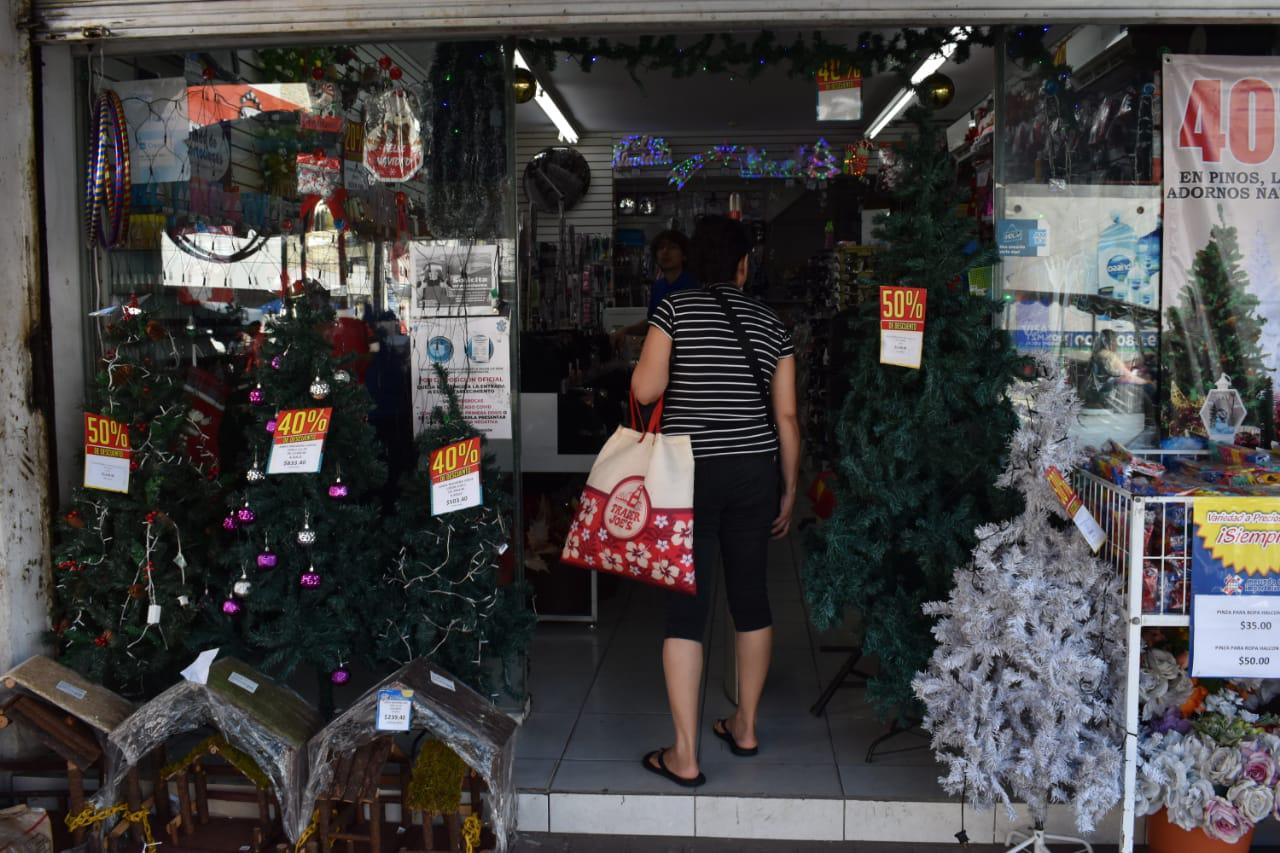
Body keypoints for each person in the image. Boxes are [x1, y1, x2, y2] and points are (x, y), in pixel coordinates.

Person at [629, 215, 800, 787]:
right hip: (755, 473)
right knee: (751, 600)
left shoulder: (674, 310)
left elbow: (645, 390)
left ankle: (685, 753)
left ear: (694, 263)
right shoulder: (774, 325)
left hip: (688, 476)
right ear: (744, 266)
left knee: (687, 610)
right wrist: (790, 486)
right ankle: (745, 726)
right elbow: (788, 418)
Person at [610, 229, 698, 348]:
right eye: (661, 248)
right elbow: (653, 322)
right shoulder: (658, 286)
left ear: (684, 256)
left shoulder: (693, 285)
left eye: (672, 247)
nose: (665, 252)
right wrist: (626, 330)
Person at [1087, 328, 1155, 413]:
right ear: (1108, 342)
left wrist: (1139, 361)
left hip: (1099, 393)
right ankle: (1150, 422)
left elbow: (1119, 366)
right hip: (1110, 394)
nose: (1117, 344)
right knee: (1149, 390)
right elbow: (1129, 377)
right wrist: (1147, 382)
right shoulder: (1110, 355)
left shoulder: (1099, 354)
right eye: (1115, 340)